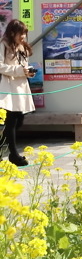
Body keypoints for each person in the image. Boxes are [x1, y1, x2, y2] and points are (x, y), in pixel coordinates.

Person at [0, 20, 35, 166]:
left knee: (19, 119)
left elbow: (23, 66)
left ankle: (3, 149)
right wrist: (19, 71)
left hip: (20, 86)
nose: (23, 37)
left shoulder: (22, 47)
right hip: (7, 86)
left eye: (24, 33)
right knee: (12, 120)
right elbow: (0, 66)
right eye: (21, 33)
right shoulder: (3, 45)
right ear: (12, 32)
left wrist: (28, 72)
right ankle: (14, 155)